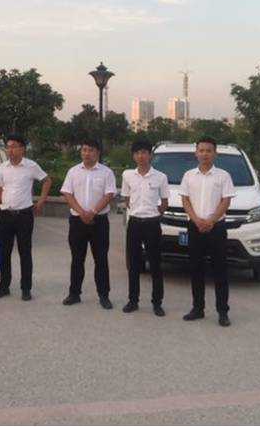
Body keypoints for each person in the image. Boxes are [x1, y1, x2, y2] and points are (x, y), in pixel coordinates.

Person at [180, 136, 235, 327]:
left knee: (220, 270)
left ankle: (223, 311)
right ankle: (198, 308)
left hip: (216, 228)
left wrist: (211, 220)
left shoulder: (223, 176)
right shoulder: (188, 176)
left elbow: (226, 200)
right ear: (196, 153)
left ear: (215, 154)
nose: (205, 154)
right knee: (196, 269)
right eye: (201, 150)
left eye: (209, 151)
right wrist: (196, 220)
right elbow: (185, 200)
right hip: (195, 227)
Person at [0, 134, 51, 301]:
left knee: (25, 252)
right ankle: (4, 286)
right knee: (5, 252)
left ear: (22, 149)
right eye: (8, 147)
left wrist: (41, 201)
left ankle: (26, 288)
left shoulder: (31, 166)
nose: (10, 150)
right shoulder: (3, 167)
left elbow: (46, 181)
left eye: (14, 146)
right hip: (5, 215)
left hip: (24, 215)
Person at [60, 139, 117, 309]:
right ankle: (74, 293)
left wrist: (92, 211)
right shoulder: (73, 171)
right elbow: (68, 194)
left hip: (99, 221)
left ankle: (104, 295)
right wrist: (81, 212)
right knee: (77, 258)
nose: (86, 153)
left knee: (101, 259)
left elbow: (108, 194)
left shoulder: (106, 173)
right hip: (77, 221)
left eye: (90, 150)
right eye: (84, 150)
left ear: (97, 152)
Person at [120, 139, 169, 316]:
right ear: (133, 156)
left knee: (155, 264)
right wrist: (137, 210)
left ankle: (157, 303)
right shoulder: (127, 175)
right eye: (137, 153)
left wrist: (153, 213)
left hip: (152, 223)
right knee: (134, 264)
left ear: (150, 155)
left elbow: (164, 202)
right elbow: (127, 199)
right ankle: (133, 300)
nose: (140, 156)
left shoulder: (160, 177)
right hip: (134, 223)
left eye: (144, 152)